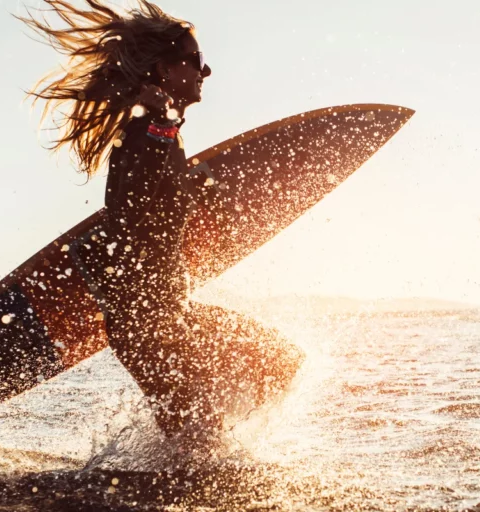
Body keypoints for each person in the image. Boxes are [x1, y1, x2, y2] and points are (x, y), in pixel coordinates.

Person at [20, 0, 302, 437]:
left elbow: (149, 206)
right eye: (195, 61)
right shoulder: (147, 134)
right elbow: (131, 207)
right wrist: (161, 125)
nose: (204, 72)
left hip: (170, 311)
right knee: (198, 437)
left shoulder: (161, 134)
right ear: (164, 70)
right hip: (147, 322)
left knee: (279, 362)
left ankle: (174, 469)